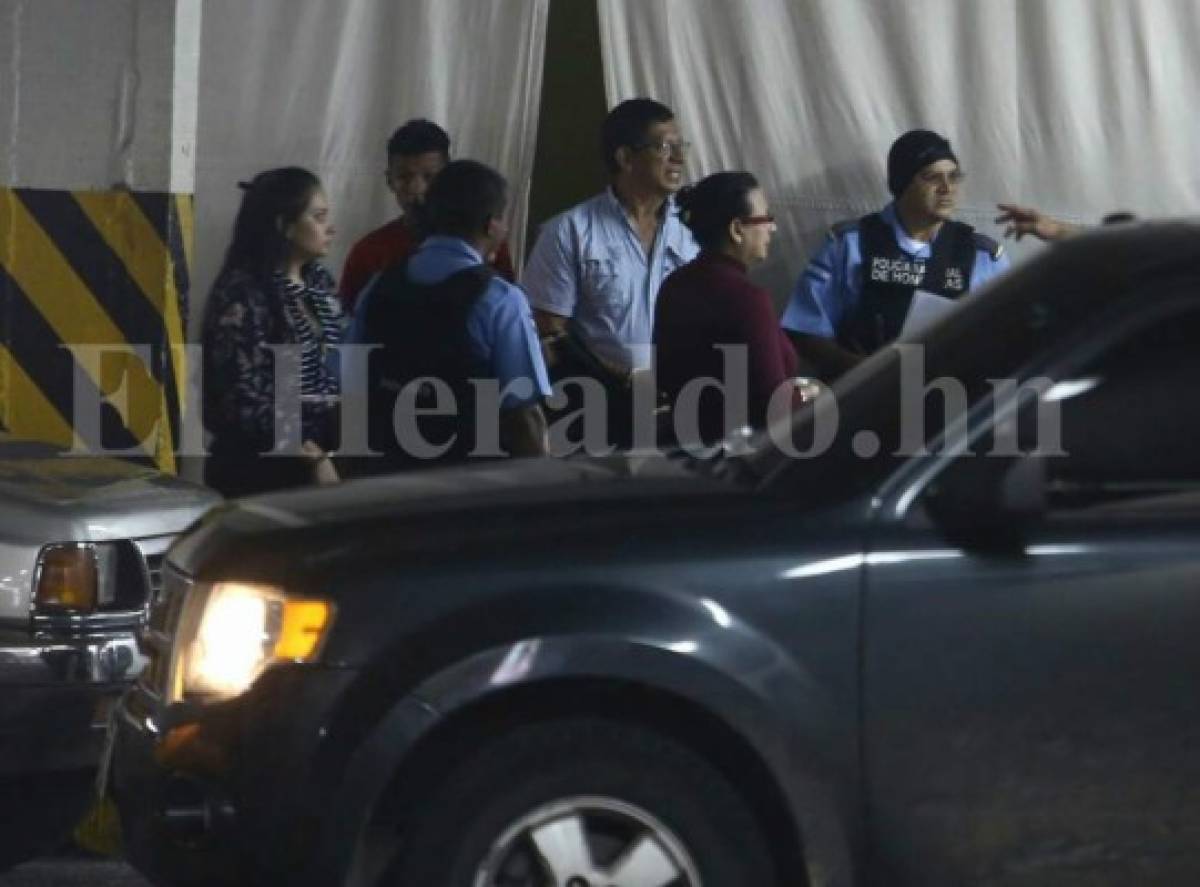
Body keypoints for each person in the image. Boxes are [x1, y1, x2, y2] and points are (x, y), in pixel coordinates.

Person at [522, 97, 699, 446]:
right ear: (625, 158)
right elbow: (549, 331)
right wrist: (623, 378)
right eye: (666, 147)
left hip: (686, 405)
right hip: (599, 411)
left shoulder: (693, 232)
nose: (679, 158)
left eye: (682, 147)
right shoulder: (569, 232)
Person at [358, 159, 550, 471]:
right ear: (491, 225)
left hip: (387, 481)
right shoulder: (500, 299)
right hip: (469, 486)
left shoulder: (378, 286)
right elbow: (523, 414)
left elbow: (348, 389)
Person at [782, 129, 1010, 379]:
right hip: (867, 394)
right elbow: (804, 330)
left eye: (954, 177)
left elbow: (1009, 334)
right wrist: (866, 374)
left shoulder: (981, 256)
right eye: (932, 177)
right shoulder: (851, 245)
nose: (947, 188)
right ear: (902, 183)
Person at [202, 167, 344, 497]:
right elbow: (242, 397)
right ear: (284, 225)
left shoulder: (320, 282)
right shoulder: (242, 294)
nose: (330, 228)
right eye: (319, 217)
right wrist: (311, 456)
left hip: (320, 455)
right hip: (260, 467)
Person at [654, 172, 799, 445]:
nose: (772, 228)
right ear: (736, 230)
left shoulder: (674, 285)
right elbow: (772, 405)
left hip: (685, 449)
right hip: (740, 455)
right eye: (765, 218)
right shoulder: (747, 299)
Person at [338, 119, 515, 312]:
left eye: (430, 177)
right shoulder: (368, 253)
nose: (417, 189)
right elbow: (349, 322)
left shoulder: (484, 240)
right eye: (404, 177)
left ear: (448, 179)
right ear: (389, 180)